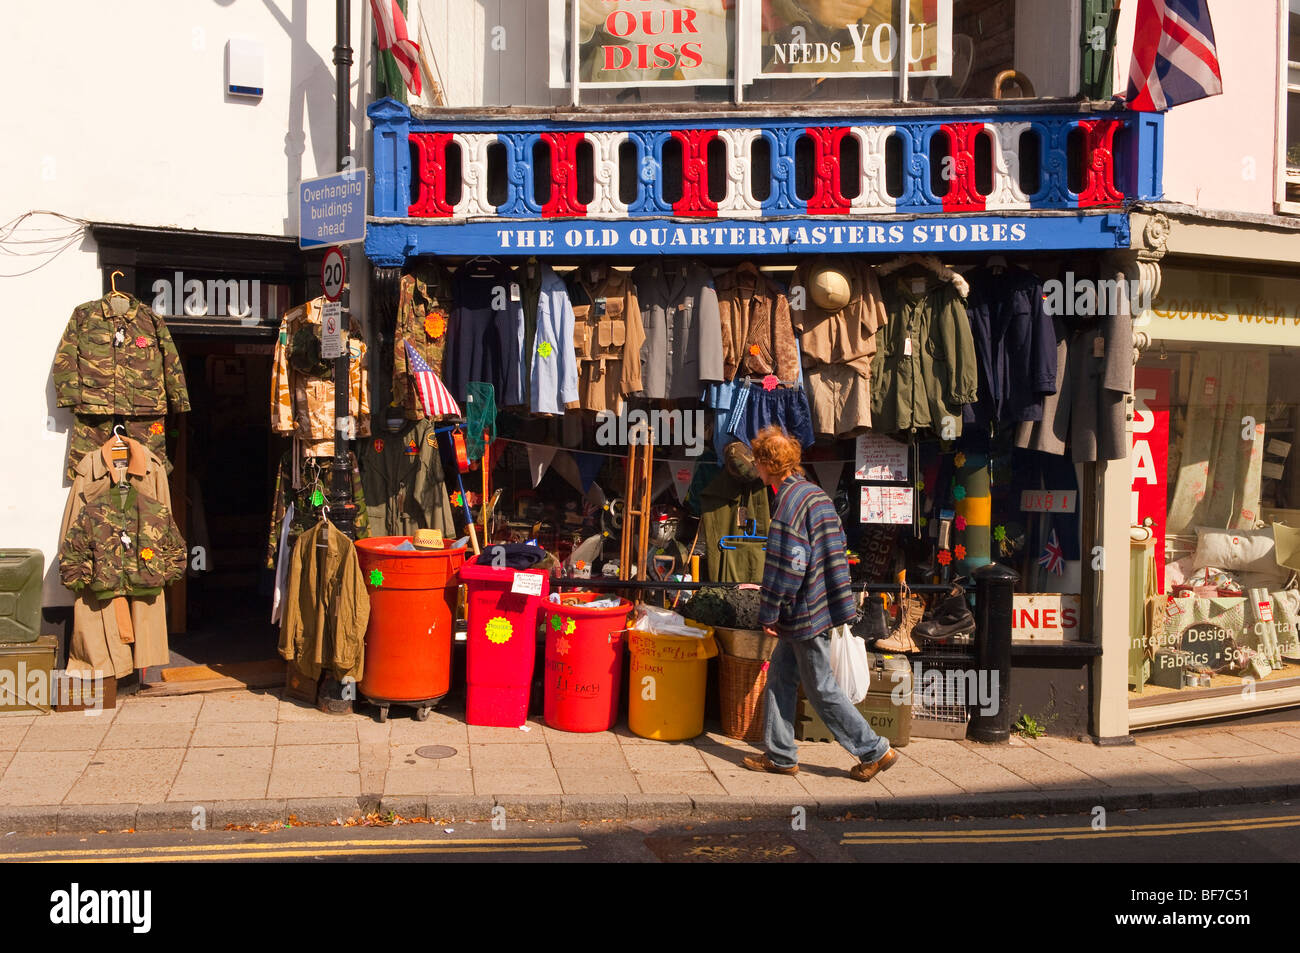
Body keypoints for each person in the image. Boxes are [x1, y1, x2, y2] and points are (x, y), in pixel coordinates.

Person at [742, 425, 899, 782]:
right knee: (781, 675)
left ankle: (874, 749)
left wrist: (770, 611)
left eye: (757, 461)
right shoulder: (815, 494)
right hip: (820, 604)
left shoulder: (788, 505)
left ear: (767, 464)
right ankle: (781, 755)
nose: (755, 467)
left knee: (821, 686)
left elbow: (790, 565)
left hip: (805, 611)